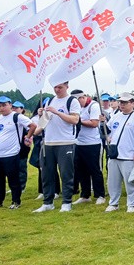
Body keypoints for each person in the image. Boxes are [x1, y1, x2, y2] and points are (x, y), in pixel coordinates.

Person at [33, 81, 82, 213]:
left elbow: (75, 120)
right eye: (55, 87)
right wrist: (40, 117)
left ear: (67, 87)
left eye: (60, 87)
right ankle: (48, 202)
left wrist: (58, 113)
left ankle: (66, 202)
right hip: (48, 142)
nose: (57, 89)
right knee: (47, 174)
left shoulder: (72, 101)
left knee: (66, 174)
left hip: (65, 142)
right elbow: (44, 121)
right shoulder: (50, 101)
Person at [0, 96, 36, 210]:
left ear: (10, 105)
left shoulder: (17, 117)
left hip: (11, 154)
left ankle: (16, 201)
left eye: (4, 105)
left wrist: (27, 137)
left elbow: (33, 125)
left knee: (13, 180)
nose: (1, 108)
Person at [105, 93, 134, 213]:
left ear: (132, 103)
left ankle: (131, 204)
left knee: (130, 182)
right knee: (112, 182)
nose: (122, 105)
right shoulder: (116, 116)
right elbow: (106, 130)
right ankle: (113, 203)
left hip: (128, 155)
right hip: (114, 154)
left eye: (125, 102)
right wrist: (102, 123)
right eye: (121, 102)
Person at [72, 90, 106, 205]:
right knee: (81, 170)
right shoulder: (77, 108)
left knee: (95, 170)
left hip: (93, 143)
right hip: (79, 142)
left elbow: (94, 123)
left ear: (83, 97)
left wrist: (79, 121)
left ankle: (100, 195)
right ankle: (85, 195)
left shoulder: (93, 106)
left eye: (78, 100)